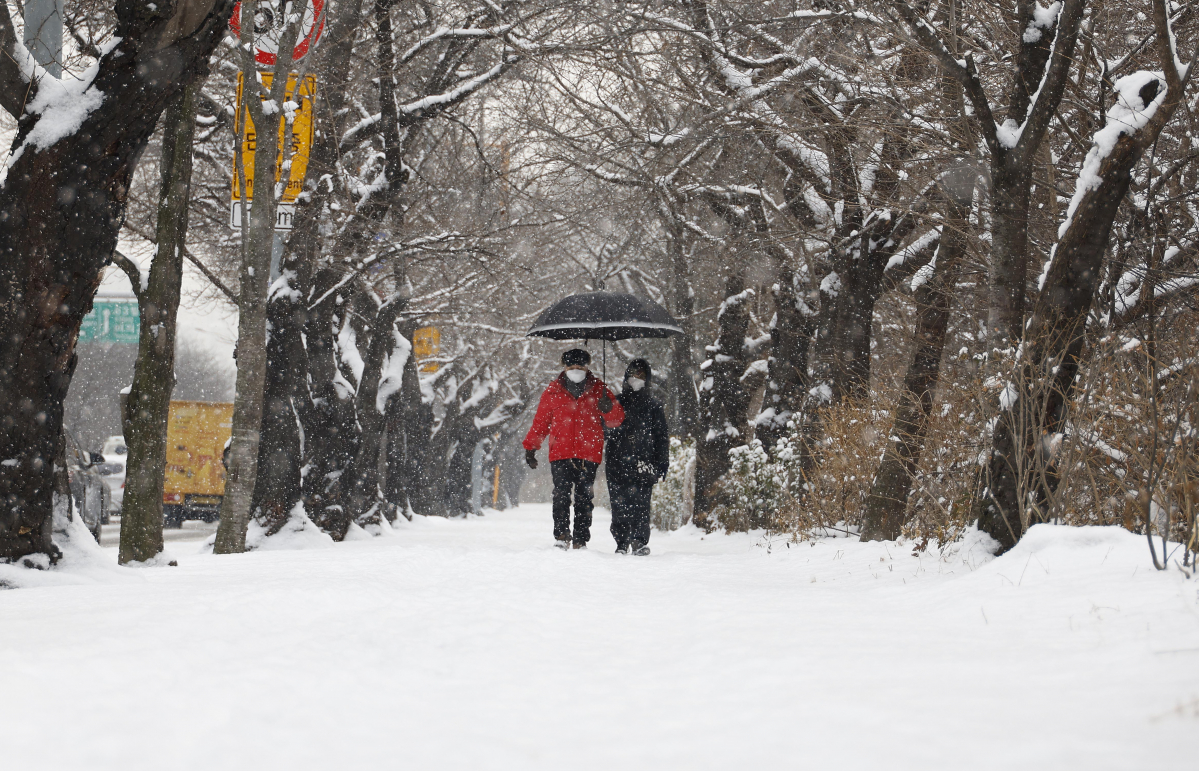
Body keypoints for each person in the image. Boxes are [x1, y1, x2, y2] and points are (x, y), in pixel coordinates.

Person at [524, 349, 624, 549]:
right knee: (561, 495)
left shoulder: (600, 390)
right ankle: (561, 536)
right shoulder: (552, 392)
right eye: (572, 366)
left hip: (589, 453)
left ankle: (580, 539)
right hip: (561, 452)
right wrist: (531, 447)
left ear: (587, 368)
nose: (576, 370)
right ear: (565, 367)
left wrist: (609, 408)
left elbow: (616, 420)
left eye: (580, 366)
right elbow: (541, 422)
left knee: (584, 498)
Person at [604, 359, 670, 555]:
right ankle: (622, 542)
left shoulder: (654, 406)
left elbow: (661, 436)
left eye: (641, 376)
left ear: (647, 379)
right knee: (619, 504)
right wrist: (605, 413)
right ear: (626, 377)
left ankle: (639, 541)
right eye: (633, 375)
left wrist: (662, 462)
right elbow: (604, 431)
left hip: (644, 462)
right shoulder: (615, 403)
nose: (636, 379)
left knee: (641, 504)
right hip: (616, 462)